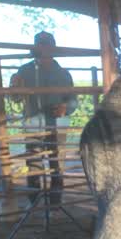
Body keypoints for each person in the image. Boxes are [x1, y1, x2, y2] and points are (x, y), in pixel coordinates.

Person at [9, 31, 76, 205]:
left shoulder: (63, 74)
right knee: (33, 162)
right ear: (35, 47)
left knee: (56, 162)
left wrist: (65, 108)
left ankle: (55, 202)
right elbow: (15, 99)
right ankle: (34, 200)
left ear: (53, 48)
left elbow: (73, 100)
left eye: (47, 45)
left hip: (57, 124)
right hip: (33, 123)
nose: (44, 48)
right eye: (40, 44)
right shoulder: (24, 71)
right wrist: (13, 87)